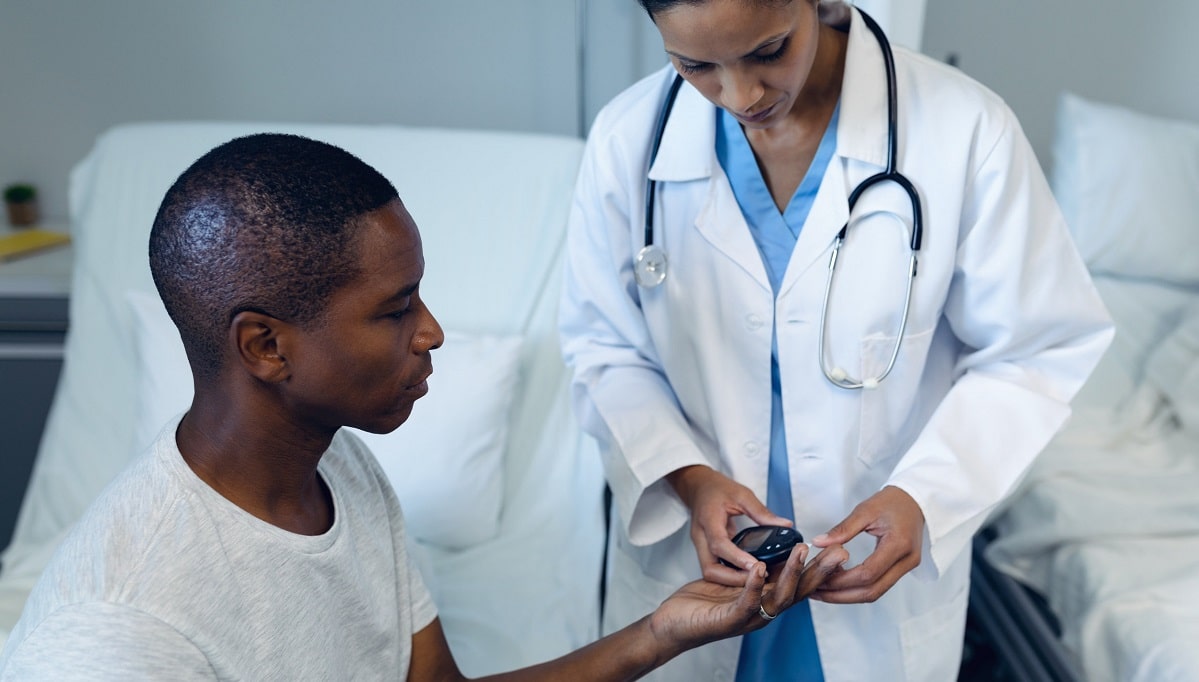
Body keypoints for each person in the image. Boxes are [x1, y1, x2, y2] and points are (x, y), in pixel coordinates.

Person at [0, 133, 849, 681]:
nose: (433, 332)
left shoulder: (338, 470)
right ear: (265, 346)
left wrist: (662, 632)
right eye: (395, 309)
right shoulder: (119, 634)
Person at [558, 1, 1113, 680]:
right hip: (694, 565)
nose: (741, 95)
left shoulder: (964, 128)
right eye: (695, 65)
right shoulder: (628, 138)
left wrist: (923, 496)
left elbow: (1036, 349)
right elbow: (603, 347)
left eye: (767, 51)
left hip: (873, 586)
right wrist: (689, 479)